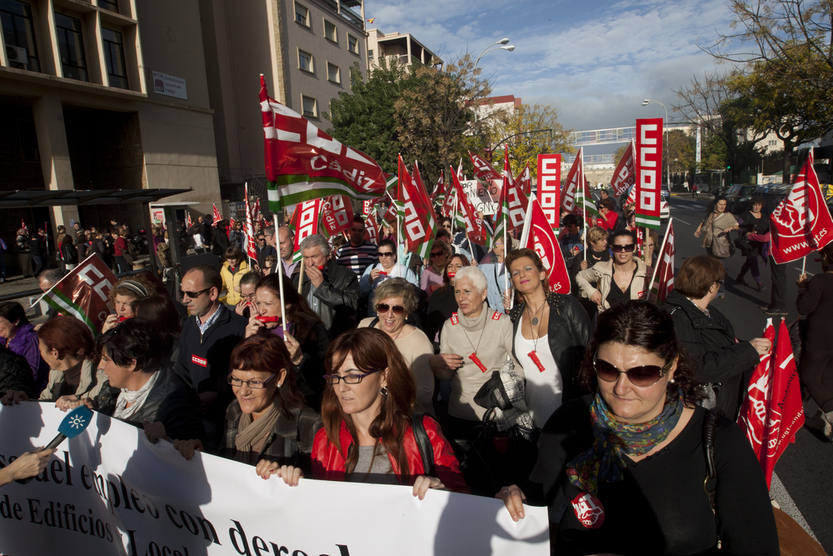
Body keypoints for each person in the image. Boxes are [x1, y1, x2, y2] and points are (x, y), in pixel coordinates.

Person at [498, 301, 779, 556]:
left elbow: (755, 546)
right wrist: (514, 500)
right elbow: (535, 499)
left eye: (641, 373)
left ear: (671, 369)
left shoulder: (719, 441)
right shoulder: (571, 421)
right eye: (607, 369)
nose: (621, 388)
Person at [256, 328, 467, 497]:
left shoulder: (424, 433)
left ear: (385, 376)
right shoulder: (325, 440)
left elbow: (465, 504)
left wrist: (442, 493)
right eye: (336, 377)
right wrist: (288, 484)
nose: (341, 387)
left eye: (352, 376)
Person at [177, 334, 321, 466]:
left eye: (255, 382)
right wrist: (202, 453)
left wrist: (290, 477)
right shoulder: (234, 410)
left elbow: (319, 485)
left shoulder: (307, 424)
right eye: (236, 380)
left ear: (279, 377)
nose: (243, 391)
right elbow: (226, 462)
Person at [663, 255, 770, 419]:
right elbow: (698, 368)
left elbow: (719, 344)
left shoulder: (707, 312)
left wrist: (748, 346)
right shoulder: (679, 318)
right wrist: (748, 350)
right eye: (720, 282)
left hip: (719, 402)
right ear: (713, 287)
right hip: (699, 410)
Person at [506, 248, 591, 426]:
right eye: (515, 272)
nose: (522, 274)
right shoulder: (513, 317)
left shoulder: (566, 306)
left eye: (528, 268)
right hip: (531, 420)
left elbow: (590, 351)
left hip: (570, 415)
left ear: (542, 274)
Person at [97, 319, 203, 442]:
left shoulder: (176, 407)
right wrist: (90, 410)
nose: (100, 366)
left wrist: (166, 439)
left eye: (106, 359)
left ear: (131, 364)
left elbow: (187, 454)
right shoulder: (111, 388)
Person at [176, 265, 247, 447]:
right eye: (182, 292)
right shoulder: (188, 326)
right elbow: (181, 369)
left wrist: (217, 393)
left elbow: (246, 378)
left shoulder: (239, 328)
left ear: (212, 293)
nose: (184, 300)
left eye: (191, 294)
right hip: (193, 421)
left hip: (228, 423)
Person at [244, 274, 329, 409]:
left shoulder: (311, 330)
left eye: (268, 303)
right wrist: (247, 343)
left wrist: (299, 361)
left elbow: (322, 377)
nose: (261, 310)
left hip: (299, 407)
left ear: (287, 304)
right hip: (265, 406)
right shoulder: (258, 331)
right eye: (259, 303)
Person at [358, 278, 434, 415]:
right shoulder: (364, 327)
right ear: (376, 309)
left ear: (406, 313)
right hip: (367, 413)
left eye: (397, 309)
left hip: (403, 417)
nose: (389, 314)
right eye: (383, 307)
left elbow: (425, 393)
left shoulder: (418, 341)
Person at [796, 243, 833, 440]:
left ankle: (828, 411)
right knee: (827, 377)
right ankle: (820, 420)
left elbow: (804, 307)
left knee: (809, 375)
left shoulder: (819, 281)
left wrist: (803, 289)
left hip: (818, 339)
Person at [36, 316, 111, 410]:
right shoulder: (55, 375)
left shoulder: (102, 378)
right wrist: (23, 400)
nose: (41, 355)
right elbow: (43, 403)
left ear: (54, 353)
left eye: (41, 351)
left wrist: (83, 403)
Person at [292, 234, 359, 337]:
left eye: (314, 257)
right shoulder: (299, 278)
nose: (310, 263)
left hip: (335, 339)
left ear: (328, 255)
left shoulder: (345, 276)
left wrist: (321, 287)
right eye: (306, 258)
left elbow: (352, 306)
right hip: (307, 341)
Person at [576, 230, 648, 313]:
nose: (623, 251)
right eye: (618, 247)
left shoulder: (645, 272)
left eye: (628, 247)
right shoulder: (602, 269)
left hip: (636, 323)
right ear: (612, 248)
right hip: (608, 322)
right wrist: (591, 291)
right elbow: (580, 276)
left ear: (634, 248)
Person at [359, 239, 418, 316]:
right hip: (375, 317)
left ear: (394, 255)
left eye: (387, 254)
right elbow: (361, 293)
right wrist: (369, 280)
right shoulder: (372, 268)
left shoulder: (404, 271)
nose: (383, 257)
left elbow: (415, 294)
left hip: (397, 317)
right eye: (380, 254)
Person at [0, 302, 48, 390]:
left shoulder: (31, 340)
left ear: (16, 321)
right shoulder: (3, 341)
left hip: (26, 393)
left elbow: (34, 373)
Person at [425, 254, 469, 343]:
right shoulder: (438, 295)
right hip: (446, 347)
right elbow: (430, 328)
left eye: (458, 266)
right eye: (450, 266)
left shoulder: (475, 294)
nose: (453, 269)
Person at [735, 197, 768, 291]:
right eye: (755, 205)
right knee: (753, 260)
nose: (757, 207)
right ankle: (759, 282)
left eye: (759, 205)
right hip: (748, 243)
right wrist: (746, 232)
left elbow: (768, 228)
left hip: (760, 242)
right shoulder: (745, 215)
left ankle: (740, 277)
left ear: (761, 206)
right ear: (751, 205)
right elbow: (737, 226)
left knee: (749, 261)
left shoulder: (764, 216)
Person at [479, 236, 510, 313]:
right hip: (492, 312)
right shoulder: (485, 266)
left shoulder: (512, 264)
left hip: (508, 311)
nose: (493, 245)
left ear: (504, 245)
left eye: (495, 243)